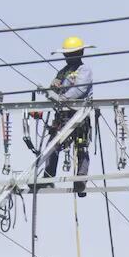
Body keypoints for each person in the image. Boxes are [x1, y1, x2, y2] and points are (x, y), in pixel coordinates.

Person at [39, 35, 93, 197]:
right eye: (67, 54)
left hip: (79, 114)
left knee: (81, 145)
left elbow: (79, 90)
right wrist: (53, 88)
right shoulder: (63, 72)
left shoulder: (84, 70)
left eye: (71, 54)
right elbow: (55, 87)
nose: (68, 57)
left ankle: (80, 181)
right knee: (53, 144)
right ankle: (48, 177)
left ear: (80, 53)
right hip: (63, 115)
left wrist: (62, 98)